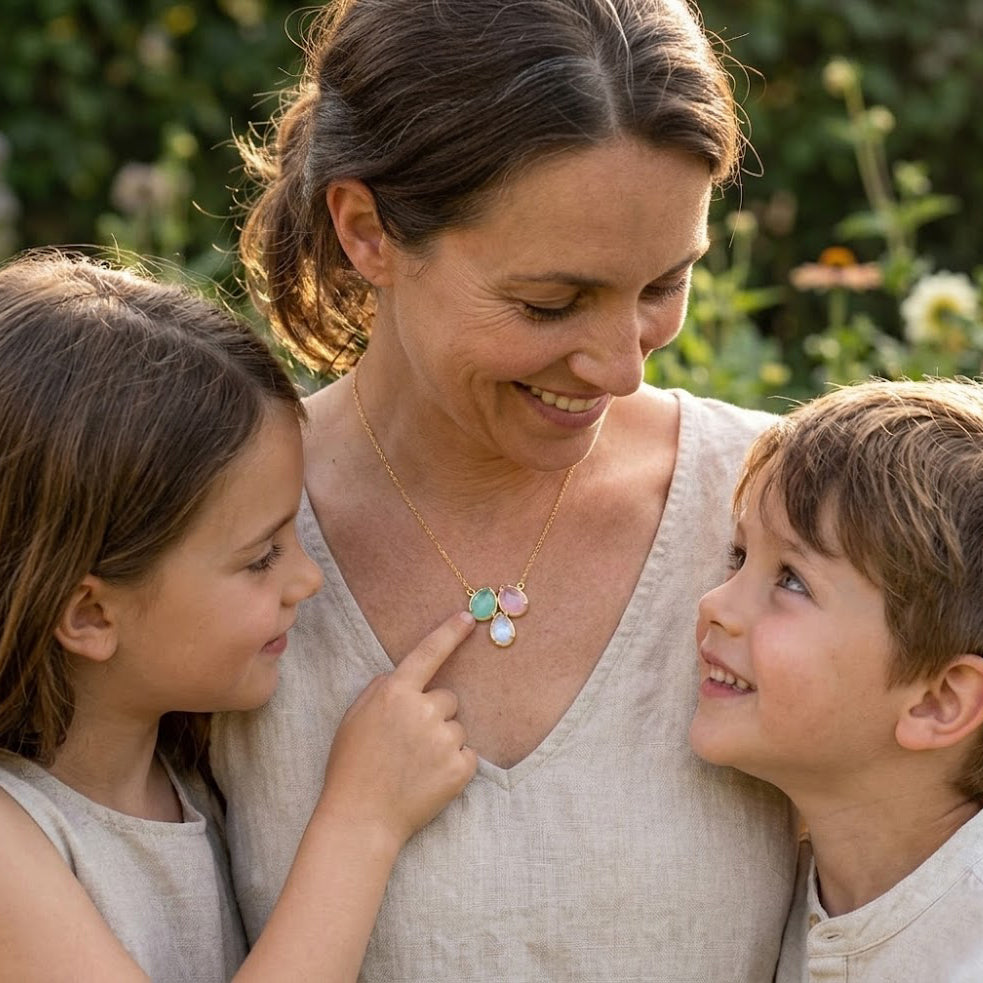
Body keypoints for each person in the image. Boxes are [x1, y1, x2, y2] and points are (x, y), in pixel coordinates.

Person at [212, 0, 799, 978]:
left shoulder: (781, 521)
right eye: (549, 301)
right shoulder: (208, 537)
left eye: (663, 283)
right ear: (365, 231)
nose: (621, 369)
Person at [0, 250, 479, 982]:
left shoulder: (188, 775)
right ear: (91, 615)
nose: (307, 577)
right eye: (261, 557)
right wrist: (362, 820)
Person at [690, 378, 983, 982]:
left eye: (792, 580)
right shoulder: (788, 902)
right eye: (740, 557)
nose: (715, 603)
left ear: (938, 701)